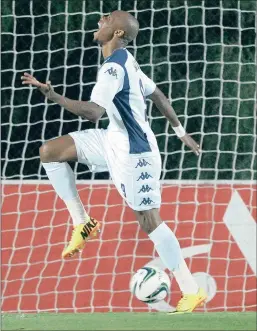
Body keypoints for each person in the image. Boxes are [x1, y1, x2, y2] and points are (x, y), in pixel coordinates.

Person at [21, 10, 207, 313]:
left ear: (119, 33)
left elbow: (93, 112)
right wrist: (180, 132)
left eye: (107, 19)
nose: (100, 20)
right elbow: (158, 95)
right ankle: (83, 223)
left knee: (148, 219)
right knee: (51, 151)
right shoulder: (127, 61)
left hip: (136, 153)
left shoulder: (114, 68)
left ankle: (191, 290)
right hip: (113, 139)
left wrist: (54, 96)